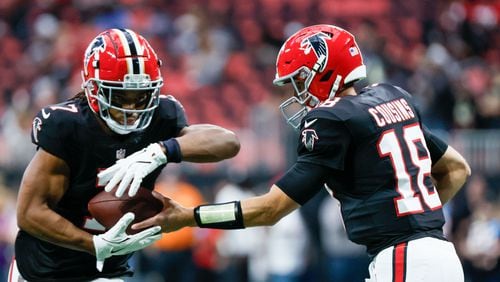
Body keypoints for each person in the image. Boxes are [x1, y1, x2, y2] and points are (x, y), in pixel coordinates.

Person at [134, 24, 472, 282]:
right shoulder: (392, 98)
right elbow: (457, 169)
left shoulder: (332, 118)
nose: (298, 93)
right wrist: (413, 216)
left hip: (403, 258)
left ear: (325, 71)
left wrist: (188, 216)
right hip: (437, 253)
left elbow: (270, 209)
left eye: (300, 80)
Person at [10, 28, 240, 282]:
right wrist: (95, 244)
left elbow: (228, 143)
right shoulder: (67, 125)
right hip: (42, 271)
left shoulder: (161, 116)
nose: (131, 109)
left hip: (108, 272)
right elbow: (29, 212)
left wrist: (162, 151)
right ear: (94, 89)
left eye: (140, 97)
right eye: (120, 96)